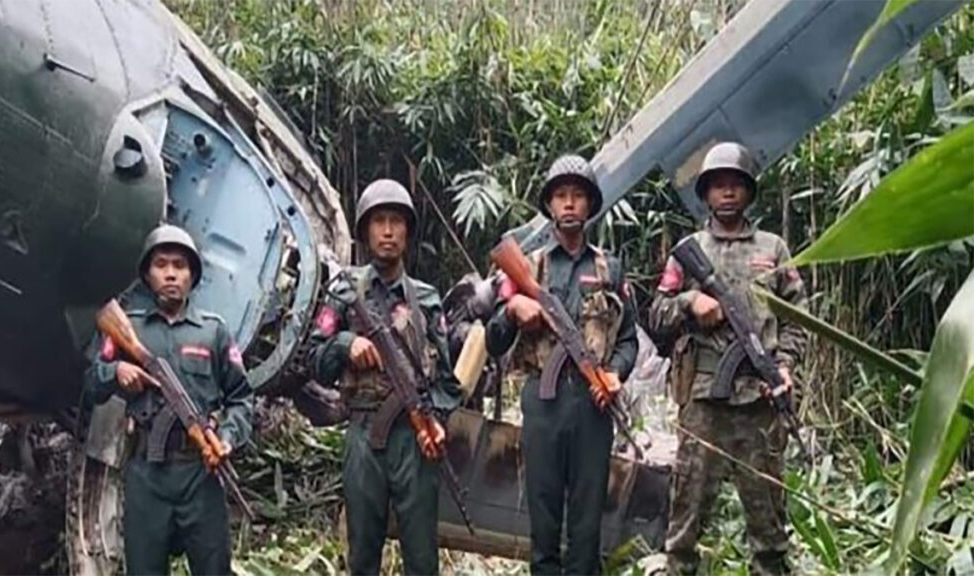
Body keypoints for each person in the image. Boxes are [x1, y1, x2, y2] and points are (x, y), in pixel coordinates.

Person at [650, 142, 807, 575]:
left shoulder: (773, 249)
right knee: (686, 517)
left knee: (768, 522)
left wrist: (785, 366)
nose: (727, 192)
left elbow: (797, 317)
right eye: (718, 185)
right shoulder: (690, 250)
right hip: (703, 401)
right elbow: (656, 314)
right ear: (705, 193)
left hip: (759, 402)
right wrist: (690, 303)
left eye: (736, 184)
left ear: (749, 191)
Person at [485, 155, 638, 575]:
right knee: (544, 515)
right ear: (550, 205)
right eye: (560, 196)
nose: (569, 203)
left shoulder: (610, 268)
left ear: (590, 205)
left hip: (593, 404)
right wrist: (513, 309)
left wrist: (615, 374)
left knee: (587, 523)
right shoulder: (528, 266)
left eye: (578, 196)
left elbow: (628, 340)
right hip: (544, 401)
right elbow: (495, 340)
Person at [307, 179, 461, 575]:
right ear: (365, 231)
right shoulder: (344, 291)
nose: (388, 231)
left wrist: (436, 422)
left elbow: (447, 383)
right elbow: (314, 362)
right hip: (363, 434)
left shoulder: (425, 299)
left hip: (414, 439)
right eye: (379, 222)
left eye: (396, 221)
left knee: (422, 558)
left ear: (408, 231)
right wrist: (345, 344)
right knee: (362, 555)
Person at [85, 224, 253, 575]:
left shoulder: (214, 331)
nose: (171, 274)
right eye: (161, 265)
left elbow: (241, 398)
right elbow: (90, 384)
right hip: (146, 475)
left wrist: (226, 438)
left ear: (193, 275)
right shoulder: (130, 329)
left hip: (200, 475)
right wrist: (116, 371)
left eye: (180, 265)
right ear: (147, 274)